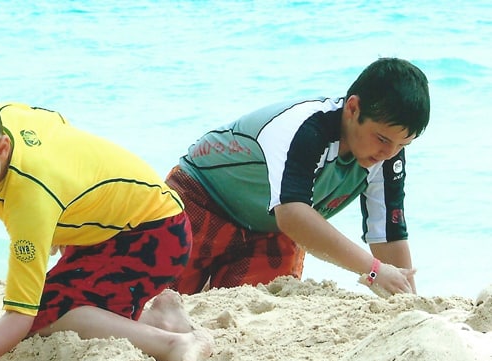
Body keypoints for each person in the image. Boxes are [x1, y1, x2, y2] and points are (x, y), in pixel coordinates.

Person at [0, 76, 212, 361]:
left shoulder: (30, 200)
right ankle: (161, 318)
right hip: (112, 226)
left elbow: (19, 316)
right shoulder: (1, 117)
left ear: (1, 149)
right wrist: (63, 214)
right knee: (58, 303)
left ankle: (173, 344)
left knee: (45, 315)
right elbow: (57, 123)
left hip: (155, 236)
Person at [166, 57, 430, 298]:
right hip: (200, 200)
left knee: (260, 318)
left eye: (402, 145)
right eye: (382, 138)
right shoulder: (304, 127)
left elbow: (388, 236)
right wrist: (373, 271)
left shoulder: (386, 156)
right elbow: (292, 213)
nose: (389, 153)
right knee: (155, 302)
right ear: (353, 108)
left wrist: (409, 302)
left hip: (270, 231)